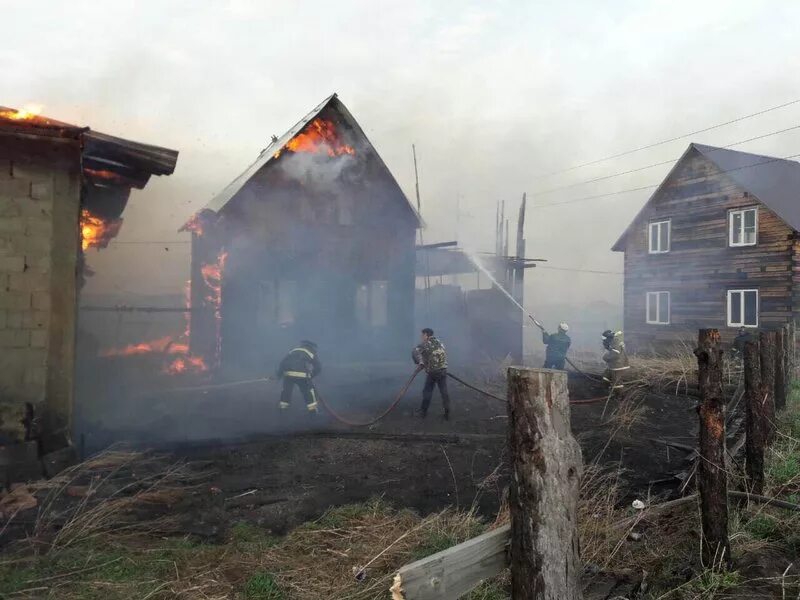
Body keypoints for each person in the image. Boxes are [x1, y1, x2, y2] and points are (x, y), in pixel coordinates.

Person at [413, 328, 451, 420]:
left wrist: (420, 362)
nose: (422, 337)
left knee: (427, 392)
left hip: (433, 373)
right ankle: (447, 413)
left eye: (422, 335)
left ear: (426, 335)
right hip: (442, 371)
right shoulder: (440, 343)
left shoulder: (425, 344)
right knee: (444, 392)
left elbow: (415, 352)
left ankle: (423, 412)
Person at [277, 340, 322, 413]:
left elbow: (282, 363)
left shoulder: (293, 351)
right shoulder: (310, 352)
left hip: (288, 374)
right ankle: (313, 411)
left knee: (286, 391)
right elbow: (318, 367)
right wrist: (311, 375)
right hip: (302, 375)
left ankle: (283, 410)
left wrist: (279, 375)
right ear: (311, 347)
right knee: (308, 391)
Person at [601, 330, 630, 395]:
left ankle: (619, 396)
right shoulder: (613, 341)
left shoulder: (615, 343)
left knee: (616, 383)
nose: (603, 341)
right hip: (613, 365)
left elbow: (615, 354)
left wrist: (605, 357)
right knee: (606, 377)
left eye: (604, 339)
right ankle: (605, 390)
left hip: (618, 366)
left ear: (608, 338)